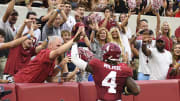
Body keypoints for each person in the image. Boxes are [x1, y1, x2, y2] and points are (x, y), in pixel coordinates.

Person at [71, 42, 140, 101]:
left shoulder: (98, 66)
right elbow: (136, 90)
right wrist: (125, 91)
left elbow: (75, 59)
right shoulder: (124, 69)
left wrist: (74, 43)